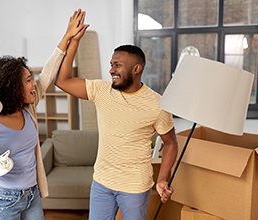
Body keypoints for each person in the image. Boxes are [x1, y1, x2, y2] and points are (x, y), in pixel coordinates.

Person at [0, 9, 87, 220]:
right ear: (11, 87)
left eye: (32, 79)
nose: (34, 84)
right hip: (4, 199)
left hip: (31, 194)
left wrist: (68, 37)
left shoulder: (27, 108)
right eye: (28, 80)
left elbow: (49, 73)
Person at [55, 15, 178, 220]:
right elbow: (62, 80)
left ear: (136, 69)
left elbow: (171, 144)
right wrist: (74, 40)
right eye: (111, 64)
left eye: (118, 65)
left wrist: (163, 179)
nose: (112, 70)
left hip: (134, 186)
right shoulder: (101, 90)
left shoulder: (157, 104)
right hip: (101, 182)